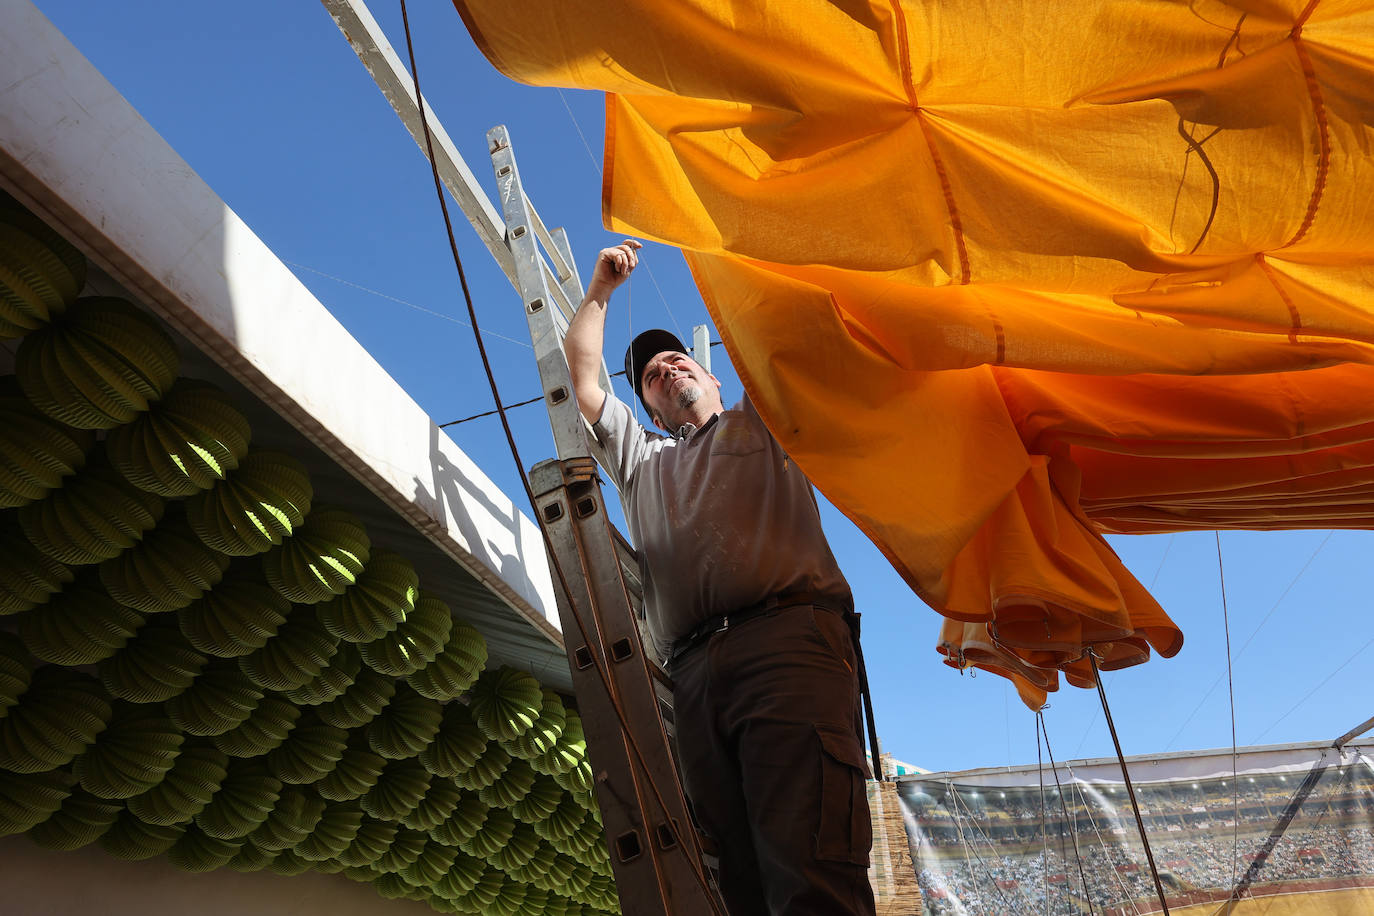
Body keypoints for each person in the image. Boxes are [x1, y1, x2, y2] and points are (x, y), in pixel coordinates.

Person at [564, 239, 877, 916]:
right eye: (650, 375)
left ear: (714, 381)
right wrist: (600, 291)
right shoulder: (642, 459)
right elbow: (584, 380)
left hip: (787, 643)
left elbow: (788, 328)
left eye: (677, 361)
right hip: (696, 676)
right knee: (736, 883)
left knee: (812, 868)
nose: (666, 369)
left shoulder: (761, 422)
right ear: (649, 412)